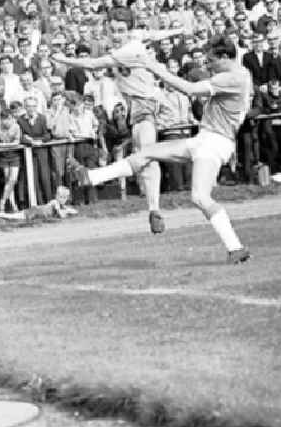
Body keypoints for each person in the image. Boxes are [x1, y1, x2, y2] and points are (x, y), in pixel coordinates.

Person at [67, 36, 253, 264]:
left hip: (214, 142)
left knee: (199, 197)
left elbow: (189, 89)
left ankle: (236, 247)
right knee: (146, 153)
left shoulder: (231, 78)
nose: (208, 65)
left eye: (212, 60)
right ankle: (91, 176)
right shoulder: (239, 73)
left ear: (225, 57)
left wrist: (150, 65)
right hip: (206, 139)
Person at [53, 20, 184, 235]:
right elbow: (154, 33)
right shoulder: (134, 39)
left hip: (146, 104)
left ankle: (96, 177)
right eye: (113, 31)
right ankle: (154, 209)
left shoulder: (128, 50)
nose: (116, 35)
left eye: (120, 30)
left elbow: (93, 65)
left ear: (127, 31)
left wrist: (63, 59)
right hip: (137, 107)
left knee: (147, 154)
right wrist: (178, 29)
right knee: (146, 158)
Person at [0, 184, 77, 224]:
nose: (62, 199)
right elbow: (60, 214)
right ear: (56, 196)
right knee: (9, 217)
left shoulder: (62, 205)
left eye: (65, 197)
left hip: (34, 214)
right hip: (31, 213)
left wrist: (69, 210)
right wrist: (67, 211)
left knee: (9, 218)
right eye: (61, 196)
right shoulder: (54, 202)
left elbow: (73, 211)